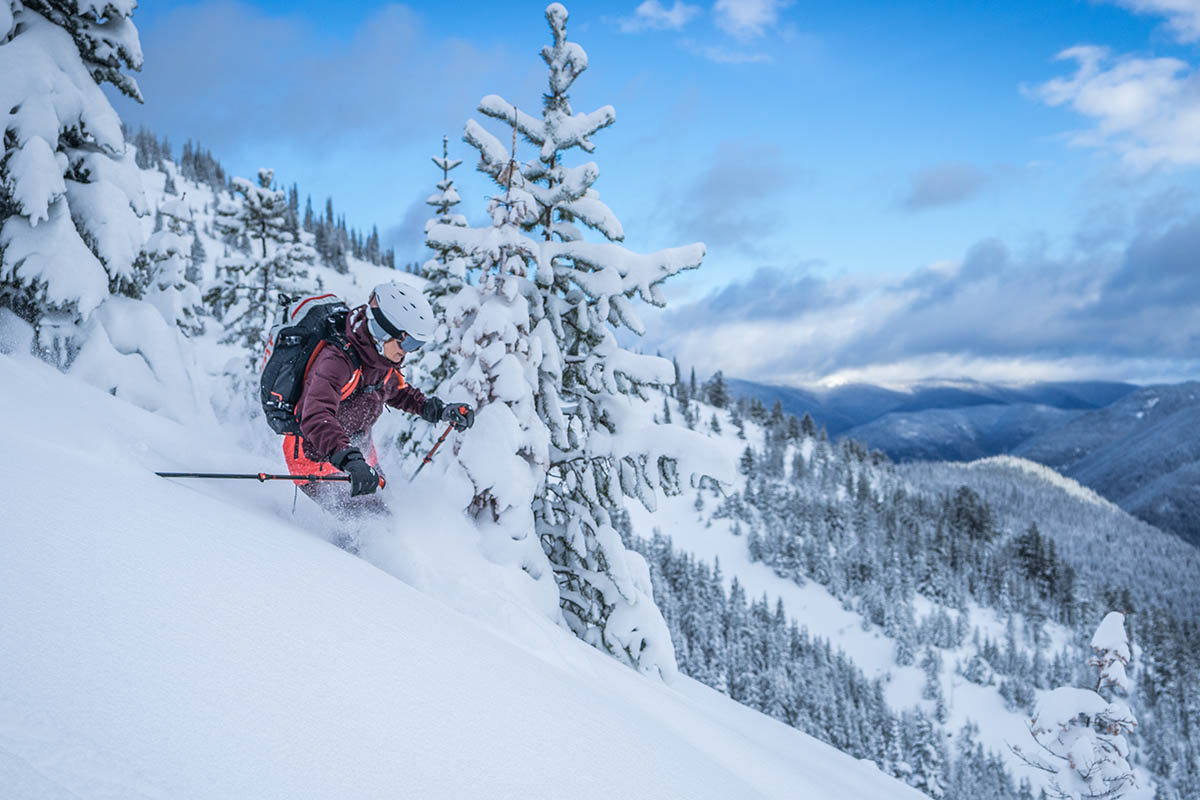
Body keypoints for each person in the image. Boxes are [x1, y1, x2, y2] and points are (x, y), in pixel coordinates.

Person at [283, 281, 474, 517]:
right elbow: (315, 415)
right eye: (408, 342)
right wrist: (348, 458)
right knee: (370, 526)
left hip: (357, 457)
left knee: (389, 510)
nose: (409, 352)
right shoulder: (337, 361)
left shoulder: (378, 358)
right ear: (383, 331)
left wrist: (439, 410)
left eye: (417, 345)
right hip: (319, 460)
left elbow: (396, 390)